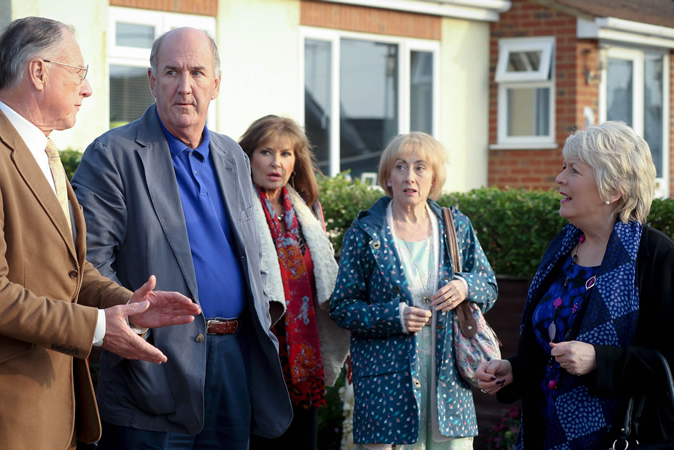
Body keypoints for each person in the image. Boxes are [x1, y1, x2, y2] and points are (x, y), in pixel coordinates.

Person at [0, 17, 201, 450]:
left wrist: (127, 305)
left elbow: (70, 269)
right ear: (38, 72)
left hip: (51, 408)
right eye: (79, 73)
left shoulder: (43, 152)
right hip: (2, 415)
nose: (88, 89)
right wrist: (95, 326)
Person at [72, 27, 292, 449]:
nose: (185, 86)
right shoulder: (112, 155)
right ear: (152, 81)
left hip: (232, 358)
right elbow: (87, 264)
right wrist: (136, 319)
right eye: (172, 72)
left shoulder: (233, 156)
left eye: (197, 72)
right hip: (153, 361)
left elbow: (254, 251)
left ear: (216, 83)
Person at [477, 121, 674, 448]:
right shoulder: (561, 248)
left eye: (574, 171)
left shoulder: (656, 257)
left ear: (612, 190)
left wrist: (601, 359)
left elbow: (667, 361)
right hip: (542, 434)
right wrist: (514, 369)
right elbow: (551, 346)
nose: (559, 178)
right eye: (563, 167)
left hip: (619, 438)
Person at [329, 132, 497, 448]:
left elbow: (488, 285)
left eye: (420, 168)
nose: (410, 177)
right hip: (386, 386)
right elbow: (342, 306)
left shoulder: (456, 227)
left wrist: (464, 286)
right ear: (388, 177)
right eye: (400, 167)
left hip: (449, 380)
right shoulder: (365, 232)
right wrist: (395, 316)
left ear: (433, 179)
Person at [237, 115, 350, 449]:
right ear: (248, 156)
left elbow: (324, 277)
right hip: (257, 347)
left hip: (304, 355)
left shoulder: (308, 209)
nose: (276, 163)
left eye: (286, 154)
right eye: (266, 152)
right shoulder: (236, 205)